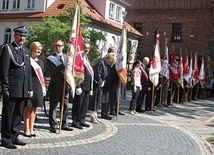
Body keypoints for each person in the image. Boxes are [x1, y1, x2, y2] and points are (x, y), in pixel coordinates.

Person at [0, 26, 33, 149]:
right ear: (15, 36)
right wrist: (5, 87)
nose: (22, 38)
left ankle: (15, 135)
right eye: (20, 35)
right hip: (12, 88)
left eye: (24, 36)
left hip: (23, 88)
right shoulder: (8, 49)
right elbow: (4, 69)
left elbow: (28, 71)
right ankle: (6, 138)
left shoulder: (25, 51)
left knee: (18, 114)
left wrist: (29, 88)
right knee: (8, 114)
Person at [46, 40, 73, 133]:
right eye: (56, 45)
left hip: (65, 85)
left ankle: (64, 124)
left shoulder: (67, 57)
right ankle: (53, 125)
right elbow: (53, 71)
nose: (58, 47)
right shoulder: (50, 58)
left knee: (65, 105)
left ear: (63, 46)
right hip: (55, 85)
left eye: (60, 45)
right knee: (53, 106)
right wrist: (63, 66)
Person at [23, 42, 46, 137]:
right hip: (30, 86)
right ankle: (26, 129)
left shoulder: (40, 62)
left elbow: (43, 74)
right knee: (28, 108)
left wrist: (43, 87)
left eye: (40, 49)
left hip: (38, 87)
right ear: (32, 49)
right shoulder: (28, 60)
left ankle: (31, 128)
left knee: (34, 109)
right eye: (37, 49)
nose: (39, 51)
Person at [88, 53, 117, 124]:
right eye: (110, 62)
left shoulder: (107, 64)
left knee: (98, 101)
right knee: (94, 101)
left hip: (101, 85)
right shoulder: (100, 63)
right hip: (96, 85)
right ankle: (92, 116)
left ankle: (95, 115)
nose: (110, 64)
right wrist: (100, 82)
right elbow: (97, 74)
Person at [72, 42, 93, 129]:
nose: (87, 49)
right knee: (78, 104)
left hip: (88, 86)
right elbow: (76, 73)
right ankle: (75, 121)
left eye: (88, 48)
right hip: (81, 86)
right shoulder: (79, 59)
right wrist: (78, 86)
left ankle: (82, 120)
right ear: (82, 48)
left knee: (85, 105)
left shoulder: (87, 59)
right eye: (85, 47)